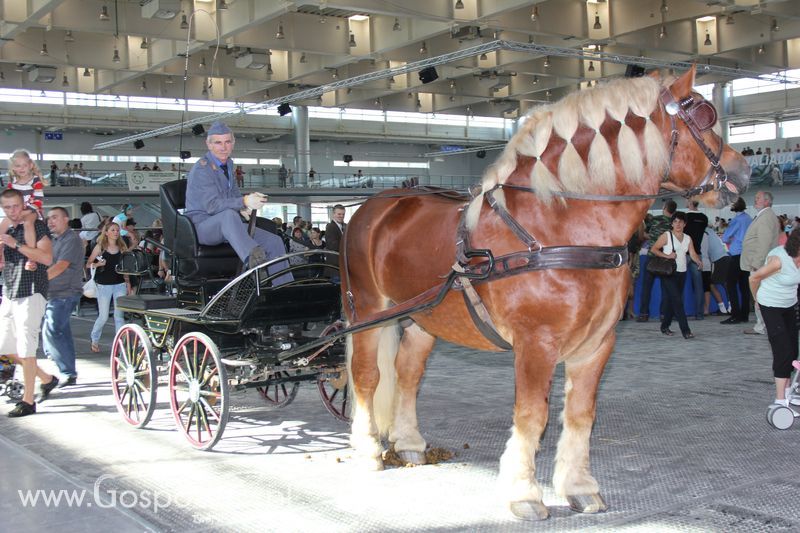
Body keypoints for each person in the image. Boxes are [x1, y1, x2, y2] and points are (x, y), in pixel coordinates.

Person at [184, 121, 291, 283]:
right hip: (202, 226)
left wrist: (242, 207)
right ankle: (255, 262)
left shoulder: (228, 164)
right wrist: (244, 200)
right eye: (218, 142)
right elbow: (212, 206)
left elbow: (232, 193)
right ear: (209, 144)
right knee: (228, 215)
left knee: (273, 241)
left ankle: (284, 288)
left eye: (227, 142)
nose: (223, 147)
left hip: (228, 224)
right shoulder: (201, 169)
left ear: (233, 143)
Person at [0, 188, 58, 417]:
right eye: (7, 207)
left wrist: (15, 244)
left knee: (26, 347)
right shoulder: (6, 227)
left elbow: (46, 258)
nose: (12, 211)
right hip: (10, 291)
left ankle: (28, 401)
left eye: (15, 206)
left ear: (23, 204)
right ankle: (46, 378)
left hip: (32, 291)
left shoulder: (37, 225)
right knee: (6, 347)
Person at [749, 229, 800, 412]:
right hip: (770, 305)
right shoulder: (778, 260)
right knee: (783, 350)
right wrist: (756, 301)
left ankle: (787, 394)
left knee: (793, 350)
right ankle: (779, 402)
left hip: (789, 304)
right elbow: (754, 277)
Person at [43, 207, 84, 387]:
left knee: (52, 330)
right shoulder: (54, 240)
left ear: (66, 219)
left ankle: (66, 370)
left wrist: (39, 281)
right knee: (61, 332)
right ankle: (69, 372)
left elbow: (61, 266)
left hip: (65, 293)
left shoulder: (71, 239)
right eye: (49, 218)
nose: (50, 221)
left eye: (55, 217)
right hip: (55, 293)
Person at [651, 211, 702, 339]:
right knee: (678, 301)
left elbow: (693, 253)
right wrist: (667, 255)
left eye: (680, 222)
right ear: (672, 223)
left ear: (685, 224)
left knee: (671, 301)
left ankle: (664, 326)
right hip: (668, 272)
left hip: (682, 272)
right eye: (675, 221)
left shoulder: (688, 238)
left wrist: (698, 261)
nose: (678, 224)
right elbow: (654, 249)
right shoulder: (666, 235)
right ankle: (686, 331)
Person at [86, 222, 132, 353]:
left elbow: (126, 267)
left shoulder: (122, 247)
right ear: (106, 232)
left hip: (119, 284)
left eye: (117, 230)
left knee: (119, 316)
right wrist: (98, 264)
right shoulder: (101, 247)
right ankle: (94, 339)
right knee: (103, 316)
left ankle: (121, 343)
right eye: (113, 230)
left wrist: (127, 282)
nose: (116, 232)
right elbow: (88, 264)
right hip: (104, 285)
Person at [741, 191, 780, 336]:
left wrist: (757, 263)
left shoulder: (765, 217)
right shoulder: (766, 216)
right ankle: (762, 325)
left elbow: (764, 242)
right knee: (761, 296)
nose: (755, 200)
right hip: (762, 263)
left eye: (758, 198)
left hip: (760, 265)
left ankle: (761, 326)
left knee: (759, 296)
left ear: (767, 201)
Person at [1, 149, 46, 272]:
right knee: (3, 225)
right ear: (13, 167)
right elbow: (8, 199)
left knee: (28, 223)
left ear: (30, 165)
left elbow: (38, 199)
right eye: (17, 166)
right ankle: (1, 254)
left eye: (24, 165)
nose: (21, 168)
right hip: (18, 211)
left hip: (32, 211)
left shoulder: (35, 180)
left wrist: (26, 211)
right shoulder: (12, 183)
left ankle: (31, 257)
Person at [637, 199, 677, 321]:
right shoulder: (674, 223)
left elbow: (644, 235)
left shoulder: (654, 219)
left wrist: (654, 237)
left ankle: (644, 314)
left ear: (664, 207)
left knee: (646, 287)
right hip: (666, 258)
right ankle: (664, 314)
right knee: (666, 288)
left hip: (651, 256)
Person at [721, 197, 753, 325]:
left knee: (730, 284)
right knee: (744, 286)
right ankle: (744, 314)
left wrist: (731, 239)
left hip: (736, 255)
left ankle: (735, 314)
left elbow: (725, 238)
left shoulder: (736, 220)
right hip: (746, 255)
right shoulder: (749, 218)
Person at [684, 199, 708, 320]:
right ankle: (700, 314)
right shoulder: (704, 218)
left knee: (678, 284)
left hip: (684, 253)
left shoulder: (685, 217)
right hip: (697, 253)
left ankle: (679, 312)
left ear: (690, 203)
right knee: (698, 285)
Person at [325, 204, 347, 282]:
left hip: (340, 266)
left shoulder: (343, 226)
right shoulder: (331, 227)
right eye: (339, 214)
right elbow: (333, 247)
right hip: (335, 267)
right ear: (333, 214)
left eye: (343, 214)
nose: (341, 216)